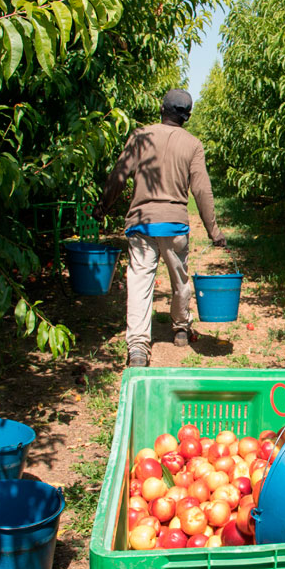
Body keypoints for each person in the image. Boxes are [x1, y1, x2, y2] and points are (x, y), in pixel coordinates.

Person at [95, 89, 226, 367]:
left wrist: (102, 207)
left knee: (140, 282)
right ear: (187, 117)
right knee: (180, 279)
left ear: (161, 109)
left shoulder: (140, 136)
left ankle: (138, 348)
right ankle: (180, 327)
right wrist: (214, 231)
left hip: (141, 223)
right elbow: (202, 190)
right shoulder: (192, 144)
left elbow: (119, 175)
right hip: (174, 224)